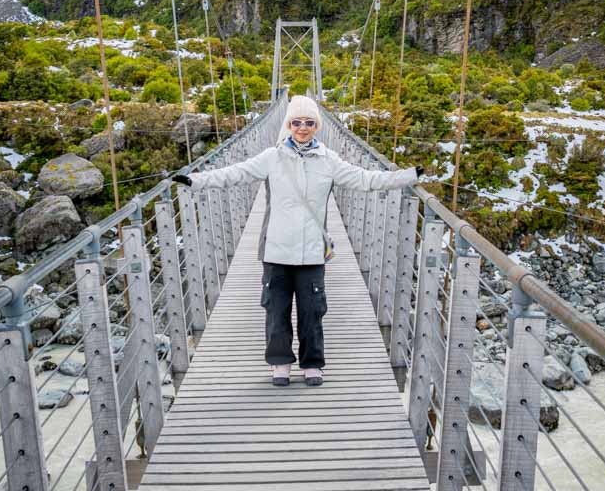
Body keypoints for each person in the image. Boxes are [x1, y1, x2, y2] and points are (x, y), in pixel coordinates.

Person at [172, 94, 422, 387]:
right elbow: (235, 174)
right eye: (296, 122)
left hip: (312, 252)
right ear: (288, 124)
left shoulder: (329, 161)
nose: (302, 128)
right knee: (276, 310)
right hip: (277, 250)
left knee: (312, 311)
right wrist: (195, 180)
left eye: (309, 122)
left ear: (317, 126)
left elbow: (366, 180)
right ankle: (280, 363)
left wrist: (407, 176)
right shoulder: (272, 157)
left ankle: (312, 364)